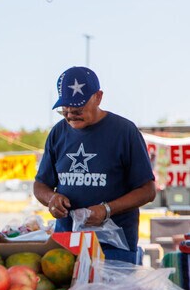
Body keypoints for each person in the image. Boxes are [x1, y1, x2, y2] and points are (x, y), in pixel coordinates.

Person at [33, 66, 156, 264]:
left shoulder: (124, 131)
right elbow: (40, 185)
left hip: (115, 247)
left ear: (98, 97)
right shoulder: (58, 133)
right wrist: (51, 199)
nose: (71, 115)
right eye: (65, 110)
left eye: (78, 109)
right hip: (67, 244)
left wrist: (107, 210)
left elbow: (148, 191)